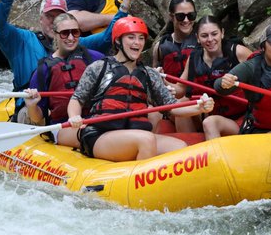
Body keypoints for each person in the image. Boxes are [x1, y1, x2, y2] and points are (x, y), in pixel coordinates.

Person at [66, 16, 213, 161]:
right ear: (118, 40)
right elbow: (77, 99)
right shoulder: (99, 67)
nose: (137, 42)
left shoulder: (149, 74)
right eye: (131, 37)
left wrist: (199, 108)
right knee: (146, 139)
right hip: (101, 134)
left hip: (137, 133)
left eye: (141, 38)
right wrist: (74, 116)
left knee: (179, 147)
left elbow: (171, 107)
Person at [0, 0, 139, 92]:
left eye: (59, 17)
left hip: (64, 108)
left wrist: (125, 5)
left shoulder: (75, 43)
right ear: (40, 19)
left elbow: (107, 37)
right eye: (49, 16)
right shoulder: (22, 40)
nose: (54, 21)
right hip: (31, 106)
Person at [20, 12, 103, 147]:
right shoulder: (44, 69)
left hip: (95, 120)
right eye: (65, 33)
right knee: (92, 134)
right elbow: (37, 117)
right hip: (62, 126)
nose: (71, 38)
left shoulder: (94, 58)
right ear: (55, 34)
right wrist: (31, 105)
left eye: (75, 32)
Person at [177, 15, 254, 139]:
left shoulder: (239, 52)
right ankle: (188, 148)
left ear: (222, 33)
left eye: (214, 34)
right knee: (180, 105)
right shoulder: (194, 57)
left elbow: (264, 77)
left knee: (210, 122)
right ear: (197, 38)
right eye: (204, 36)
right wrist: (162, 83)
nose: (210, 39)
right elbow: (180, 88)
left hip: (242, 119)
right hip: (211, 114)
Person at [150, 0, 197, 77]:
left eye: (191, 15)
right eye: (180, 16)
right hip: (169, 88)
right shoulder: (160, 47)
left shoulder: (203, 41)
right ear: (171, 17)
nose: (186, 20)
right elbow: (155, 81)